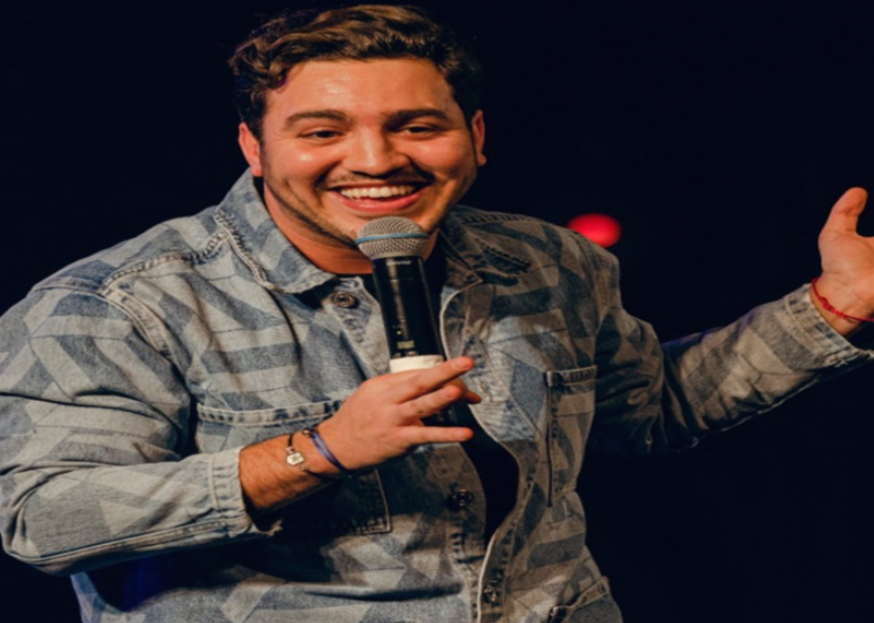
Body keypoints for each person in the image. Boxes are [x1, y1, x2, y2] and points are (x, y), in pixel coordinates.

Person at [1, 5, 873, 623]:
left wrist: (833, 308)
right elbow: (41, 517)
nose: (376, 159)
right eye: (322, 132)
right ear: (253, 148)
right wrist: (317, 451)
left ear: (476, 136)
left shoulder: (547, 260)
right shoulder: (122, 303)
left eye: (417, 126)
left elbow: (654, 407)